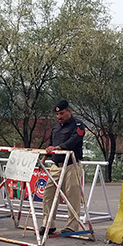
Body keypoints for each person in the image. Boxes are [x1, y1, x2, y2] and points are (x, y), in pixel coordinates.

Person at [40, 100, 85, 236]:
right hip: (56, 165)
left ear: (69, 111)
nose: (59, 116)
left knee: (72, 196)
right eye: (57, 114)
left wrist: (58, 148)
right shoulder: (56, 127)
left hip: (71, 165)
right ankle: (48, 224)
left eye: (62, 113)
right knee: (48, 194)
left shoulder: (78, 125)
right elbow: (51, 144)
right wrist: (45, 156)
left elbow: (74, 140)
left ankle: (72, 226)